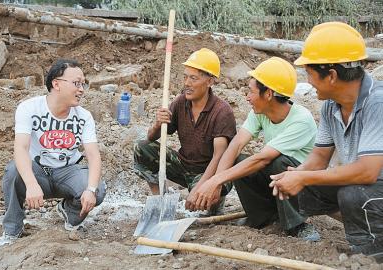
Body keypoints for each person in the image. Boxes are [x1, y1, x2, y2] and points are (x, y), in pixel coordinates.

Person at [270, 22, 383, 261]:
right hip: (366, 185)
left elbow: (368, 172)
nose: (308, 81)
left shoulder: (377, 103)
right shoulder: (332, 105)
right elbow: (319, 157)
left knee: (353, 194)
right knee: (293, 179)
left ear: (331, 75)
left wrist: (303, 177)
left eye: (309, 73)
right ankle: (362, 223)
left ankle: (371, 256)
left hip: (371, 183)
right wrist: (296, 174)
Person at [186, 57, 320, 240]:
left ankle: (298, 225)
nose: (247, 97)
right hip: (277, 186)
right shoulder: (260, 112)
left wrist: (215, 182)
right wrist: (218, 182)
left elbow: (262, 159)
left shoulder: (301, 120)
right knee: (239, 160)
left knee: (278, 162)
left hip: (304, 190)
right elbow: (236, 145)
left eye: (251, 91)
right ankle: (264, 219)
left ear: (269, 94)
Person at [0, 59, 106, 247]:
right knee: (13, 171)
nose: (81, 89)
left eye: (83, 84)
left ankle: (69, 212)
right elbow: (21, 148)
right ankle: (12, 229)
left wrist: (90, 190)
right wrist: (31, 184)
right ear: (56, 84)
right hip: (38, 172)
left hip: (67, 172)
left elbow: (94, 155)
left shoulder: (84, 116)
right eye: (76, 83)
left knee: (98, 188)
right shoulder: (29, 108)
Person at [134, 48, 236, 214]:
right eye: (185, 77)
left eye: (193, 78)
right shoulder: (181, 103)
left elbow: (219, 157)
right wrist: (158, 123)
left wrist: (199, 189)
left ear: (210, 82)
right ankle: (159, 200)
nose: (187, 83)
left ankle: (215, 203)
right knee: (142, 148)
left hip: (211, 172)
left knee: (201, 204)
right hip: (183, 165)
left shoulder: (222, 112)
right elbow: (151, 137)